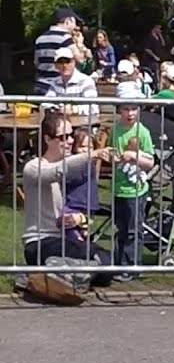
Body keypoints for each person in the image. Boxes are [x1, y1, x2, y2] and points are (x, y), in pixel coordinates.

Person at [22, 113, 115, 287]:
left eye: (72, 135)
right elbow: (55, 171)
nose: (71, 141)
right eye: (64, 137)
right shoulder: (33, 167)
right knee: (95, 259)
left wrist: (80, 219)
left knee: (107, 262)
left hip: (63, 239)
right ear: (48, 139)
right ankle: (67, 273)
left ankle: (62, 273)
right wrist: (92, 154)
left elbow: (83, 210)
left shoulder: (68, 171)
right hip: (40, 243)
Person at [109, 100, 157, 281]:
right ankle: (118, 263)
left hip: (135, 190)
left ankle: (132, 266)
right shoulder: (115, 129)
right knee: (120, 228)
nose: (130, 113)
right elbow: (114, 151)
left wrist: (134, 157)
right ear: (119, 110)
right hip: (118, 188)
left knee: (133, 229)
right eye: (125, 109)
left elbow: (150, 161)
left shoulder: (142, 132)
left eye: (133, 109)